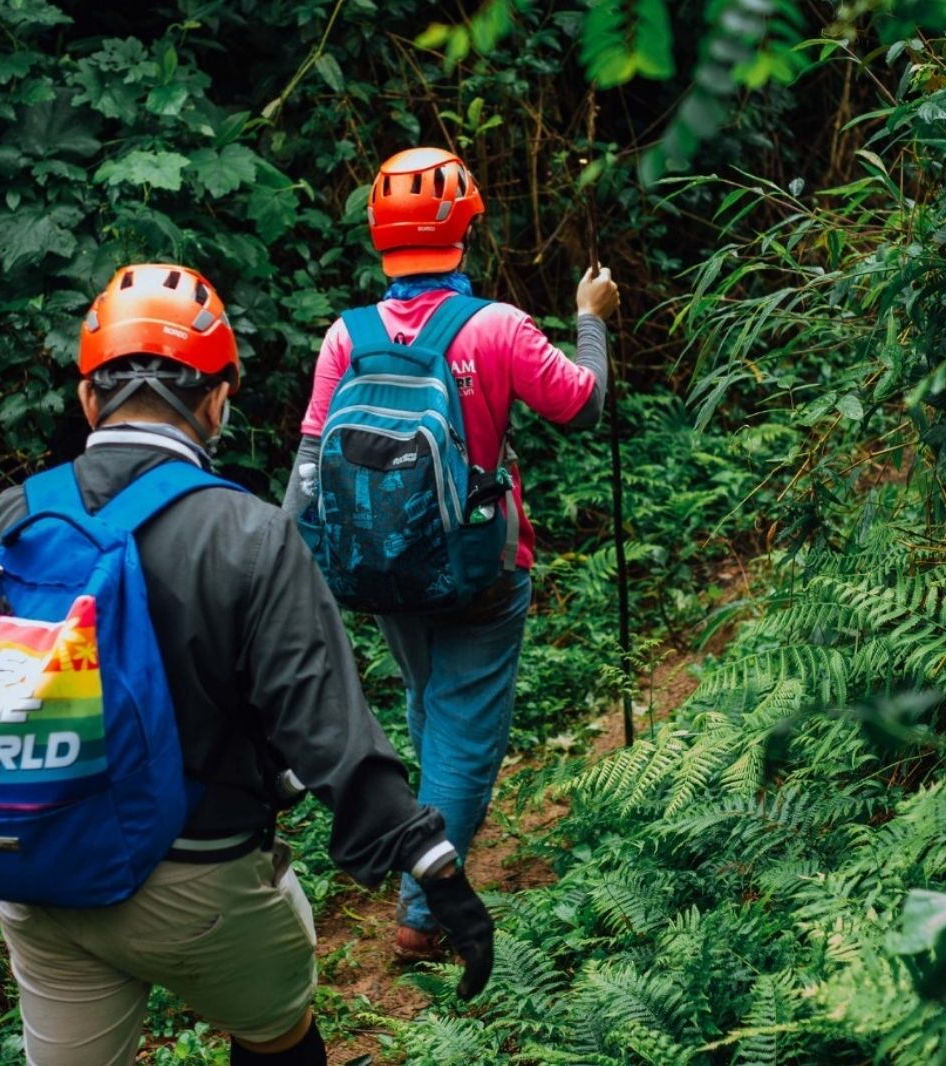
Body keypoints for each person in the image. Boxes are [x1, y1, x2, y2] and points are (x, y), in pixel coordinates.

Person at [0, 263, 494, 1066]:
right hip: (199, 887)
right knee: (276, 1030)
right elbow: (326, 728)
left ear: (87, 400)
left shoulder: (4, 519)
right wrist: (429, 862)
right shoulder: (248, 533)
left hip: (34, 876)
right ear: (220, 398)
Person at [281, 148, 620, 955]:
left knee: (432, 705)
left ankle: (420, 850)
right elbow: (583, 406)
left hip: (382, 567)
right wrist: (592, 318)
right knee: (466, 730)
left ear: (378, 236)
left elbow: (307, 467)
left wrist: (293, 574)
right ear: (463, 230)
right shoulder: (496, 327)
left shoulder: (346, 336)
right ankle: (424, 912)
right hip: (479, 571)